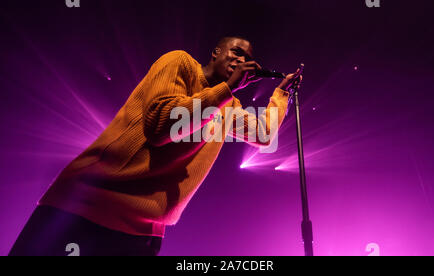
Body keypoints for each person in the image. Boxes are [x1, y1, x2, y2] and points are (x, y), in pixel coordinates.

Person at [9, 36, 301, 256]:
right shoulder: (180, 63)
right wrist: (225, 90)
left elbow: (263, 134)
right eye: (236, 52)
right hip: (84, 209)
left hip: (142, 232)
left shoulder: (227, 105)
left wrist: (280, 94)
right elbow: (162, 126)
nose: (242, 60)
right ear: (216, 52)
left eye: (248, 58)